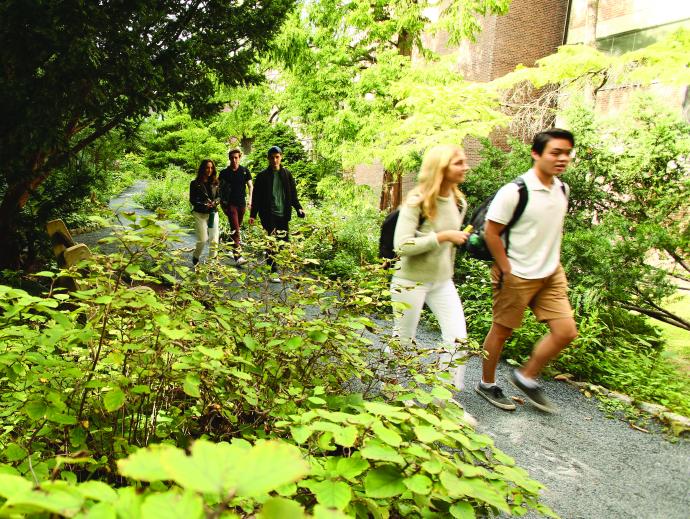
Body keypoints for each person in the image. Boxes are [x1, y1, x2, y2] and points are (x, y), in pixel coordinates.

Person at [475, 128, 578, 413]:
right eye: (555, 152)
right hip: (516, 273)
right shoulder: (515, 191)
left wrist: (552, 261)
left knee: (566, 331)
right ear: (536, 153)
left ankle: (526, 375)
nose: (562, 158)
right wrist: (505, 268)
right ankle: (486, 383)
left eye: (566, 153)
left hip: (550, 274)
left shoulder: (562, 189)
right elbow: (492, 233)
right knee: (502, 330)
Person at [391, 144, 471, 391]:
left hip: (442, 282)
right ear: (441, 167)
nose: (465, 166)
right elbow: (401, 246)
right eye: (458, 162)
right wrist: (444, 236)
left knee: (458, 340)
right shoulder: (418, 201)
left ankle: (443, 402)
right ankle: (390, 391)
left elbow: (450, 248)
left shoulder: (459, 202)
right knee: (403, 341)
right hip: (410, 281)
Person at [249, 146, 305, 282]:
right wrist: (253, 214)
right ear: (268, 159)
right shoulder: (262, 176)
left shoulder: (287, 174)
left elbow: (293, 195)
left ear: (281, 157)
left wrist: (299, 208)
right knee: (272, 241)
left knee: (283, 242)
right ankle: (273, 271)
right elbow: (256, 197)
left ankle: (271, 259)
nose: (275, 160)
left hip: (283, 213)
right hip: (268, 214)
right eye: (272, 157)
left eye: (277, 157)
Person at [219, 148, 253, 265]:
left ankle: (230, 245)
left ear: (240, 157)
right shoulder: (224, 173)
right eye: (232, 158)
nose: (234, 160)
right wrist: (223, 206)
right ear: (229, 158)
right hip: (230, 205)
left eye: (236, 157)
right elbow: (219, 189)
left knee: (236, 229)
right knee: (236, 230)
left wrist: (250, 201)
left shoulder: (244, 171)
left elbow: (250, 187)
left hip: (241, 205)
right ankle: (238, 257)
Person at [189, 159, 220, 266]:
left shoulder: (216, 182)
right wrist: (203, 205)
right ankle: (196, 256)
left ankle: (211, 264)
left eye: (211, 168)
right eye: (207, 167)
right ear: (203, 168)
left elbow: (219, 197)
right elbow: (192, 200)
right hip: (199, 214)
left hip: (213, 213)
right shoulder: (194, 183)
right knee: (202, 239)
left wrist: (215, 203)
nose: (209, 170)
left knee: (214, 239)